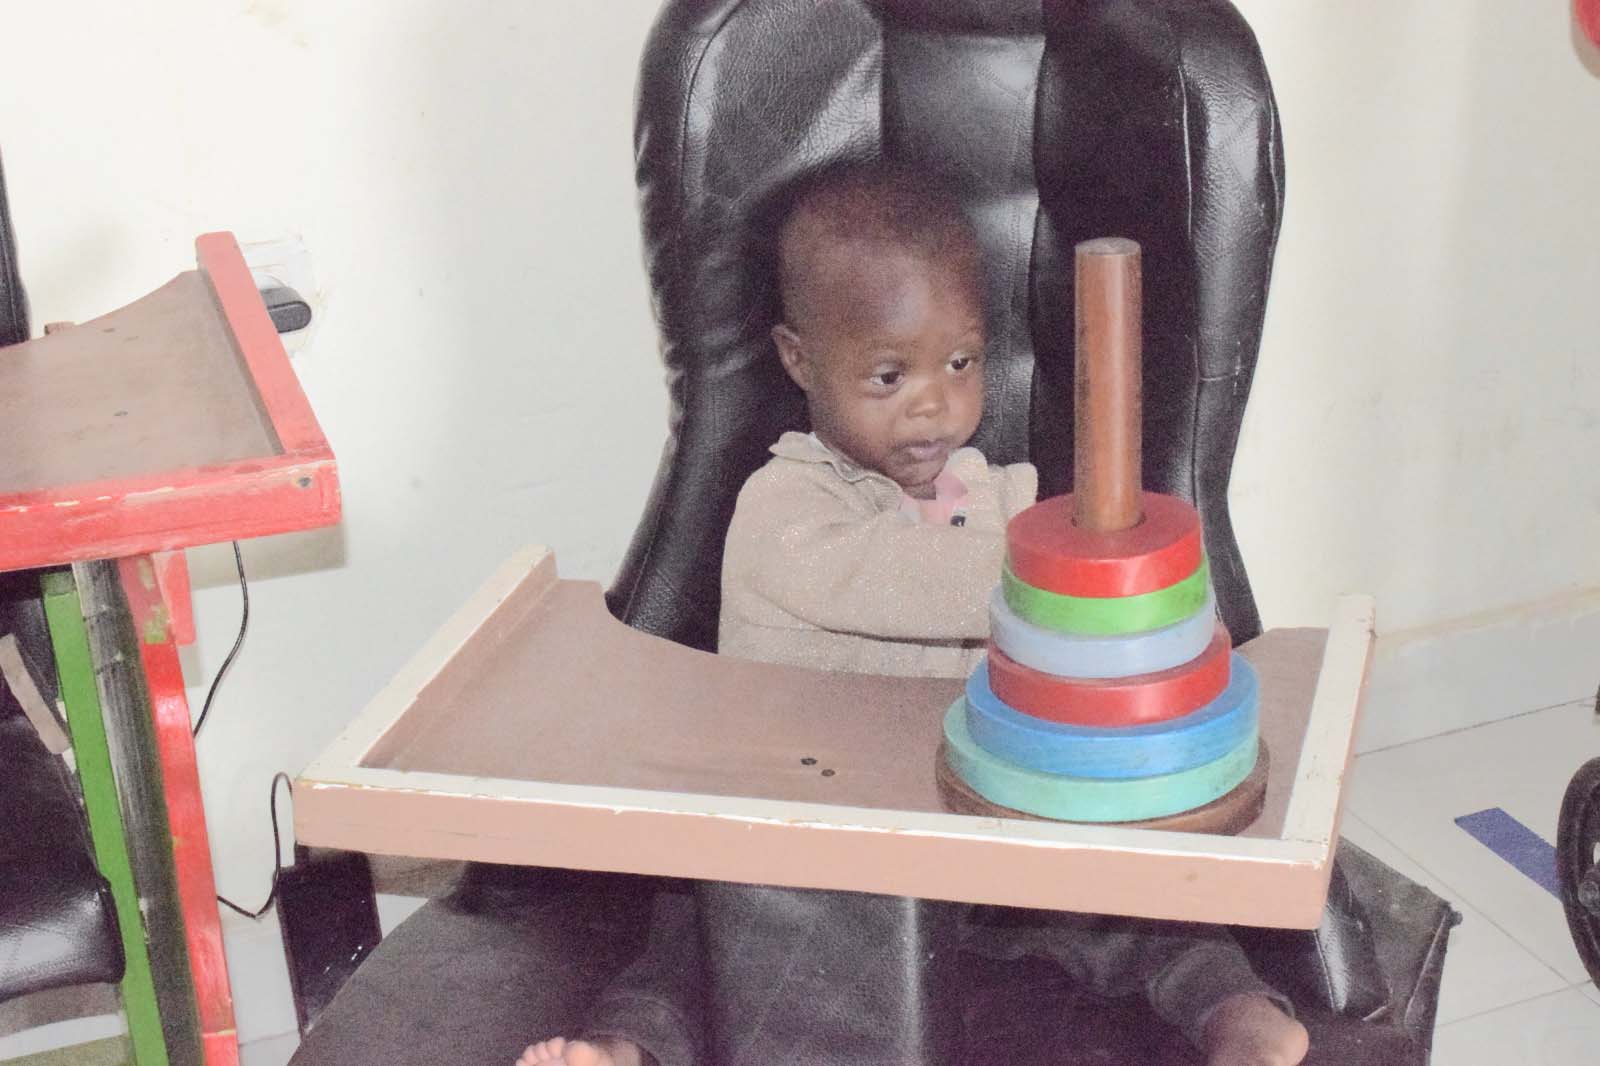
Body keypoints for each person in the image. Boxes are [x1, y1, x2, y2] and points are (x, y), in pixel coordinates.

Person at [520, 164, 1309, 1066]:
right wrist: (1074, 573)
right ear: (799, 361)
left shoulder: (1003, 496)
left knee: (1132, 899)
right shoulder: (783, 511)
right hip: (816, 839)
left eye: (960, 363)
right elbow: (900, 578)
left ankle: (1235, 1011)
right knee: (694, 921)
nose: (933, 402)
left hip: (971, 826)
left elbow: (1066, 657)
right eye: (889, 375)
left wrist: (1132, 632)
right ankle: (625, 1046)